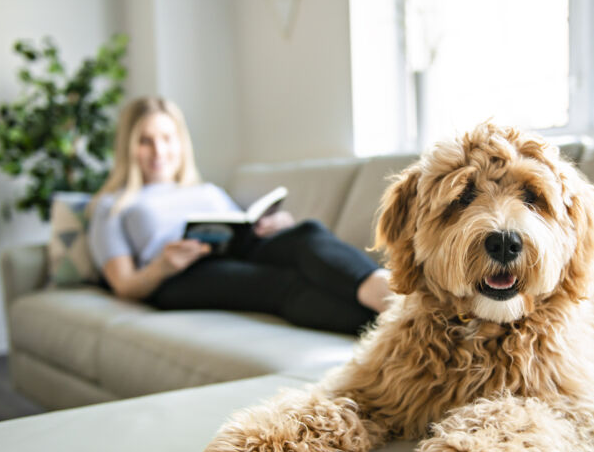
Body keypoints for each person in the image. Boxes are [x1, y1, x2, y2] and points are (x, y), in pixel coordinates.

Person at [88, 96, 391, 335]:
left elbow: (241, 229)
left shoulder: (206, 191)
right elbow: (124, 285)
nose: (159, 150)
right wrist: (163, 266)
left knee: (307, 233)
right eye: (145, 140)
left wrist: (273, 227)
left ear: (181, 142)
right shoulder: (112, 205)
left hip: (236, 253)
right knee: (282, 284)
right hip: (180, 277)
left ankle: (389, 294)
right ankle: (394, 327)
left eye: (167, 138)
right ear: (129, 147)